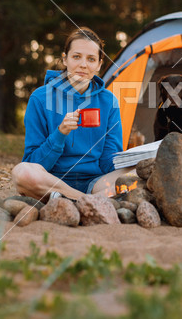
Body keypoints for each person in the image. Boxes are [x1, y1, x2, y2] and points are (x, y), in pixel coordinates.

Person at [12, 26, 132, 202]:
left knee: (140, 172)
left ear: (99, 64)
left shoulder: (109, 101)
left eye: (91, 59)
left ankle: (73, 200)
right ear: (65, 59)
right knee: (21, 172)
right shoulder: (40, 98)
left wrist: (132, 162)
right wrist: (60, 134)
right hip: (52, 182)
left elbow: (108, 161)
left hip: (95, 183)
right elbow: (34, 162)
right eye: (76, 57)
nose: (83, 64)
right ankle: (88, 201)